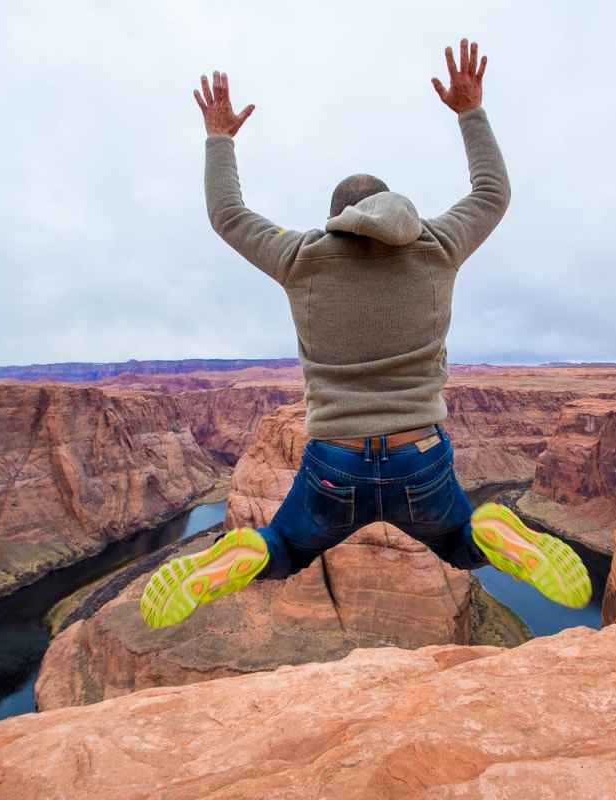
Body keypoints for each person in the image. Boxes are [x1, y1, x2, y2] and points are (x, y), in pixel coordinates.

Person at [140, 40, 591, 630]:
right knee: (457, 542)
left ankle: (248, 549)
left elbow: (227, 215)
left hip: (335, 463)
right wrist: (470, 112)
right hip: (420, 459)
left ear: (335, 215)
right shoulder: (439, 244)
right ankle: (491, 530)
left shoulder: (300, 256)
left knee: (288, 548)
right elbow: (492, 194)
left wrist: (219, 138)